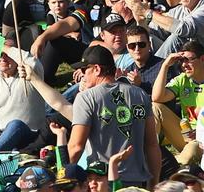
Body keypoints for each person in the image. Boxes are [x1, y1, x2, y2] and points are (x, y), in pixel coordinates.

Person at [27, 46, 161, 188]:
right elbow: (152, 145)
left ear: (97, 69)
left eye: (85, 70)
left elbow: (76, 146)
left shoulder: (86, 98)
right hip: (136, 184)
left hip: (101, 183)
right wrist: (154, 185)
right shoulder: (140, 94)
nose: (82, 75)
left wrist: (62, 182)